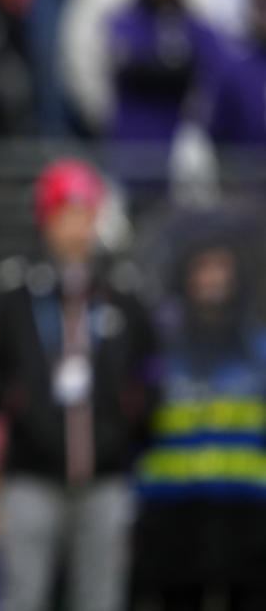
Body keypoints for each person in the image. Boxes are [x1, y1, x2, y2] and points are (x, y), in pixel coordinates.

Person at [0, 159, 156, 611]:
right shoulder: (14, 291)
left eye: (84, 215)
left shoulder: (122, 292)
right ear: (45, 221)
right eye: (64, 216)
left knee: (100, 597)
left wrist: (128, 419)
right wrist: (20, 403)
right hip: (31, 474)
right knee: (22, 595)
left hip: (105, 477)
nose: (75, 229)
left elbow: (150, 372)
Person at [133, 213, 266, 611]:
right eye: (202, 268)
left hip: (248, 516)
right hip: (172, 517)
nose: (211, 279)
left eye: (220, 267)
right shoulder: (157, 347)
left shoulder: (258, 349)